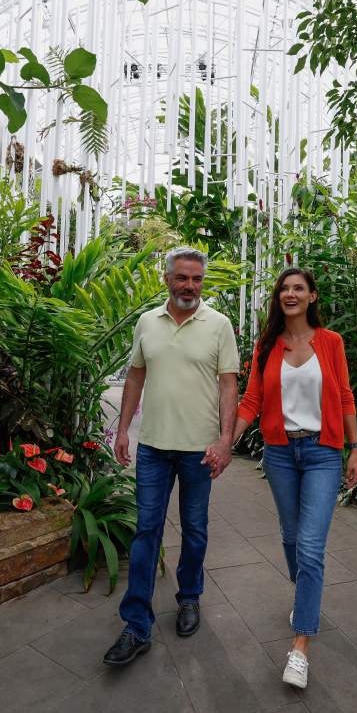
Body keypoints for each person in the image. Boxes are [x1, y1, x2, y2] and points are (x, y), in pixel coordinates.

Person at [103, 246, 239, 666]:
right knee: (147, 531)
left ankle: (189, 598)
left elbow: (229, 386)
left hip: (200, 451)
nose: (190, 286)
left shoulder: (219, 325)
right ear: (167, 279)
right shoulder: (148, 322)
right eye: (182, 277)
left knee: (195, 530)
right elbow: (136, 378)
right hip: (154, 449)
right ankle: (136, 625)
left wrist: (225, 440)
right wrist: (123, 429)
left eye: (197, 279)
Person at [230, 268, 357, 689]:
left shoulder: (331, 342)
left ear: (312, 296)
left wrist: (355, 448)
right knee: (290, 537)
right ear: (279, 297)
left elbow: (344, 394)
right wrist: (224, 441)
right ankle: (306, 589)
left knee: (309, 545)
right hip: (281, 453)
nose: (290, 294)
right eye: (284, 288)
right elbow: (252, 400)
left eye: (298, 288)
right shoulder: (267, 346)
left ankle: (300, 645)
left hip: (323, 453)